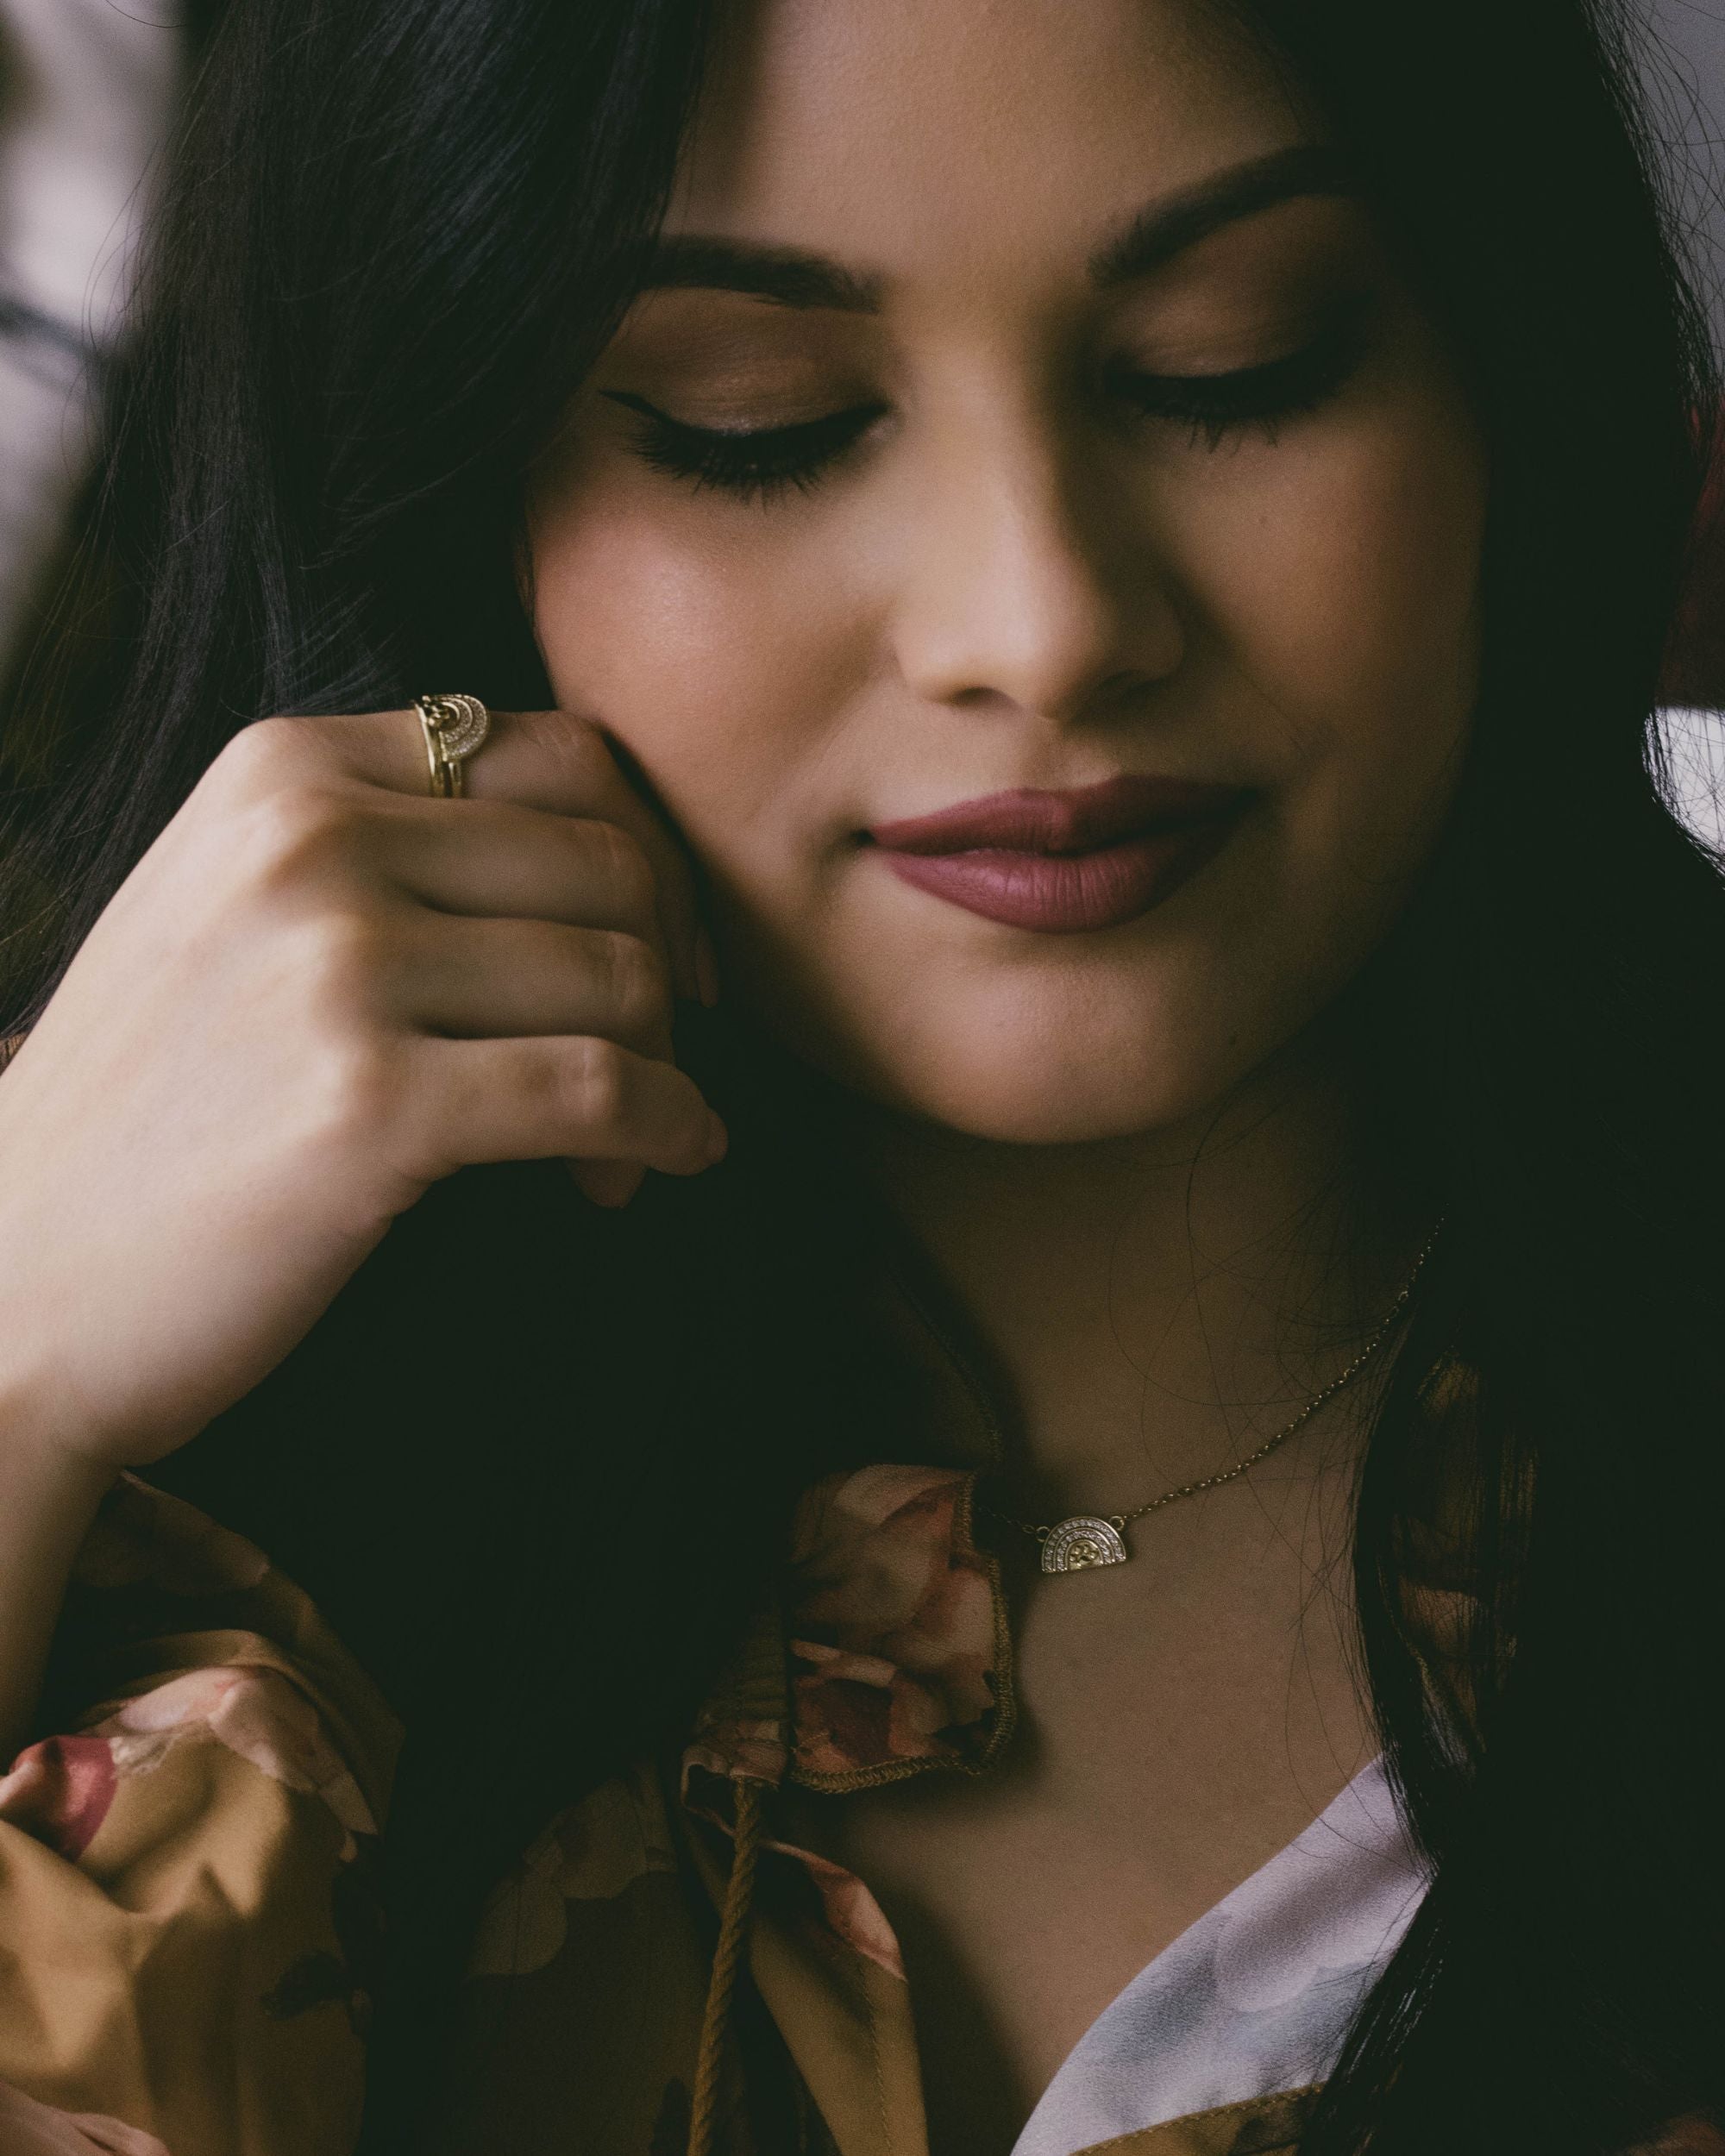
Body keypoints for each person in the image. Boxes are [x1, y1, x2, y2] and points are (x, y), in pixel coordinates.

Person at [0, 1, 1720, 2152]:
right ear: (443, 460)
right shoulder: (133, 1431)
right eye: (757, 423)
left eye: (1234, 361)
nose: (1044, 620)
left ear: (1507, 390)